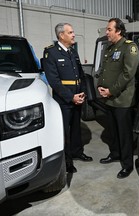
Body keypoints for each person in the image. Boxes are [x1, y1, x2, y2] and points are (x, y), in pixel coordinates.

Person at [43, 23, 93, 173]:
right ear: (61, 35)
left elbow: (81, 75)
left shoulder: (73, 52)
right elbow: (54, 81)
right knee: (64, 131)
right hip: (64, 100)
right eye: (70, 32)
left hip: (78, 96)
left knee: (76, 127)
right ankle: (67, 160)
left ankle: (77, 152)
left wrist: (83, 92)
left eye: (73, 32)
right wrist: (71, 97)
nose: (73, 35)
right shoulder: (50, 53)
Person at [97, 18, 139, 179]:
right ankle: (115, 154)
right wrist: (100, 86)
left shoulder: (129, 47)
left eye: (109, 29)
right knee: (113, 130)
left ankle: (127, 165)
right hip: (109, 98)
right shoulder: (110, 48)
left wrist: (111, 91)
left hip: (122, 99)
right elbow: (105, 70)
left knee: (124, 134)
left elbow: (128, 74)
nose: (106, 32)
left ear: (118, 31)